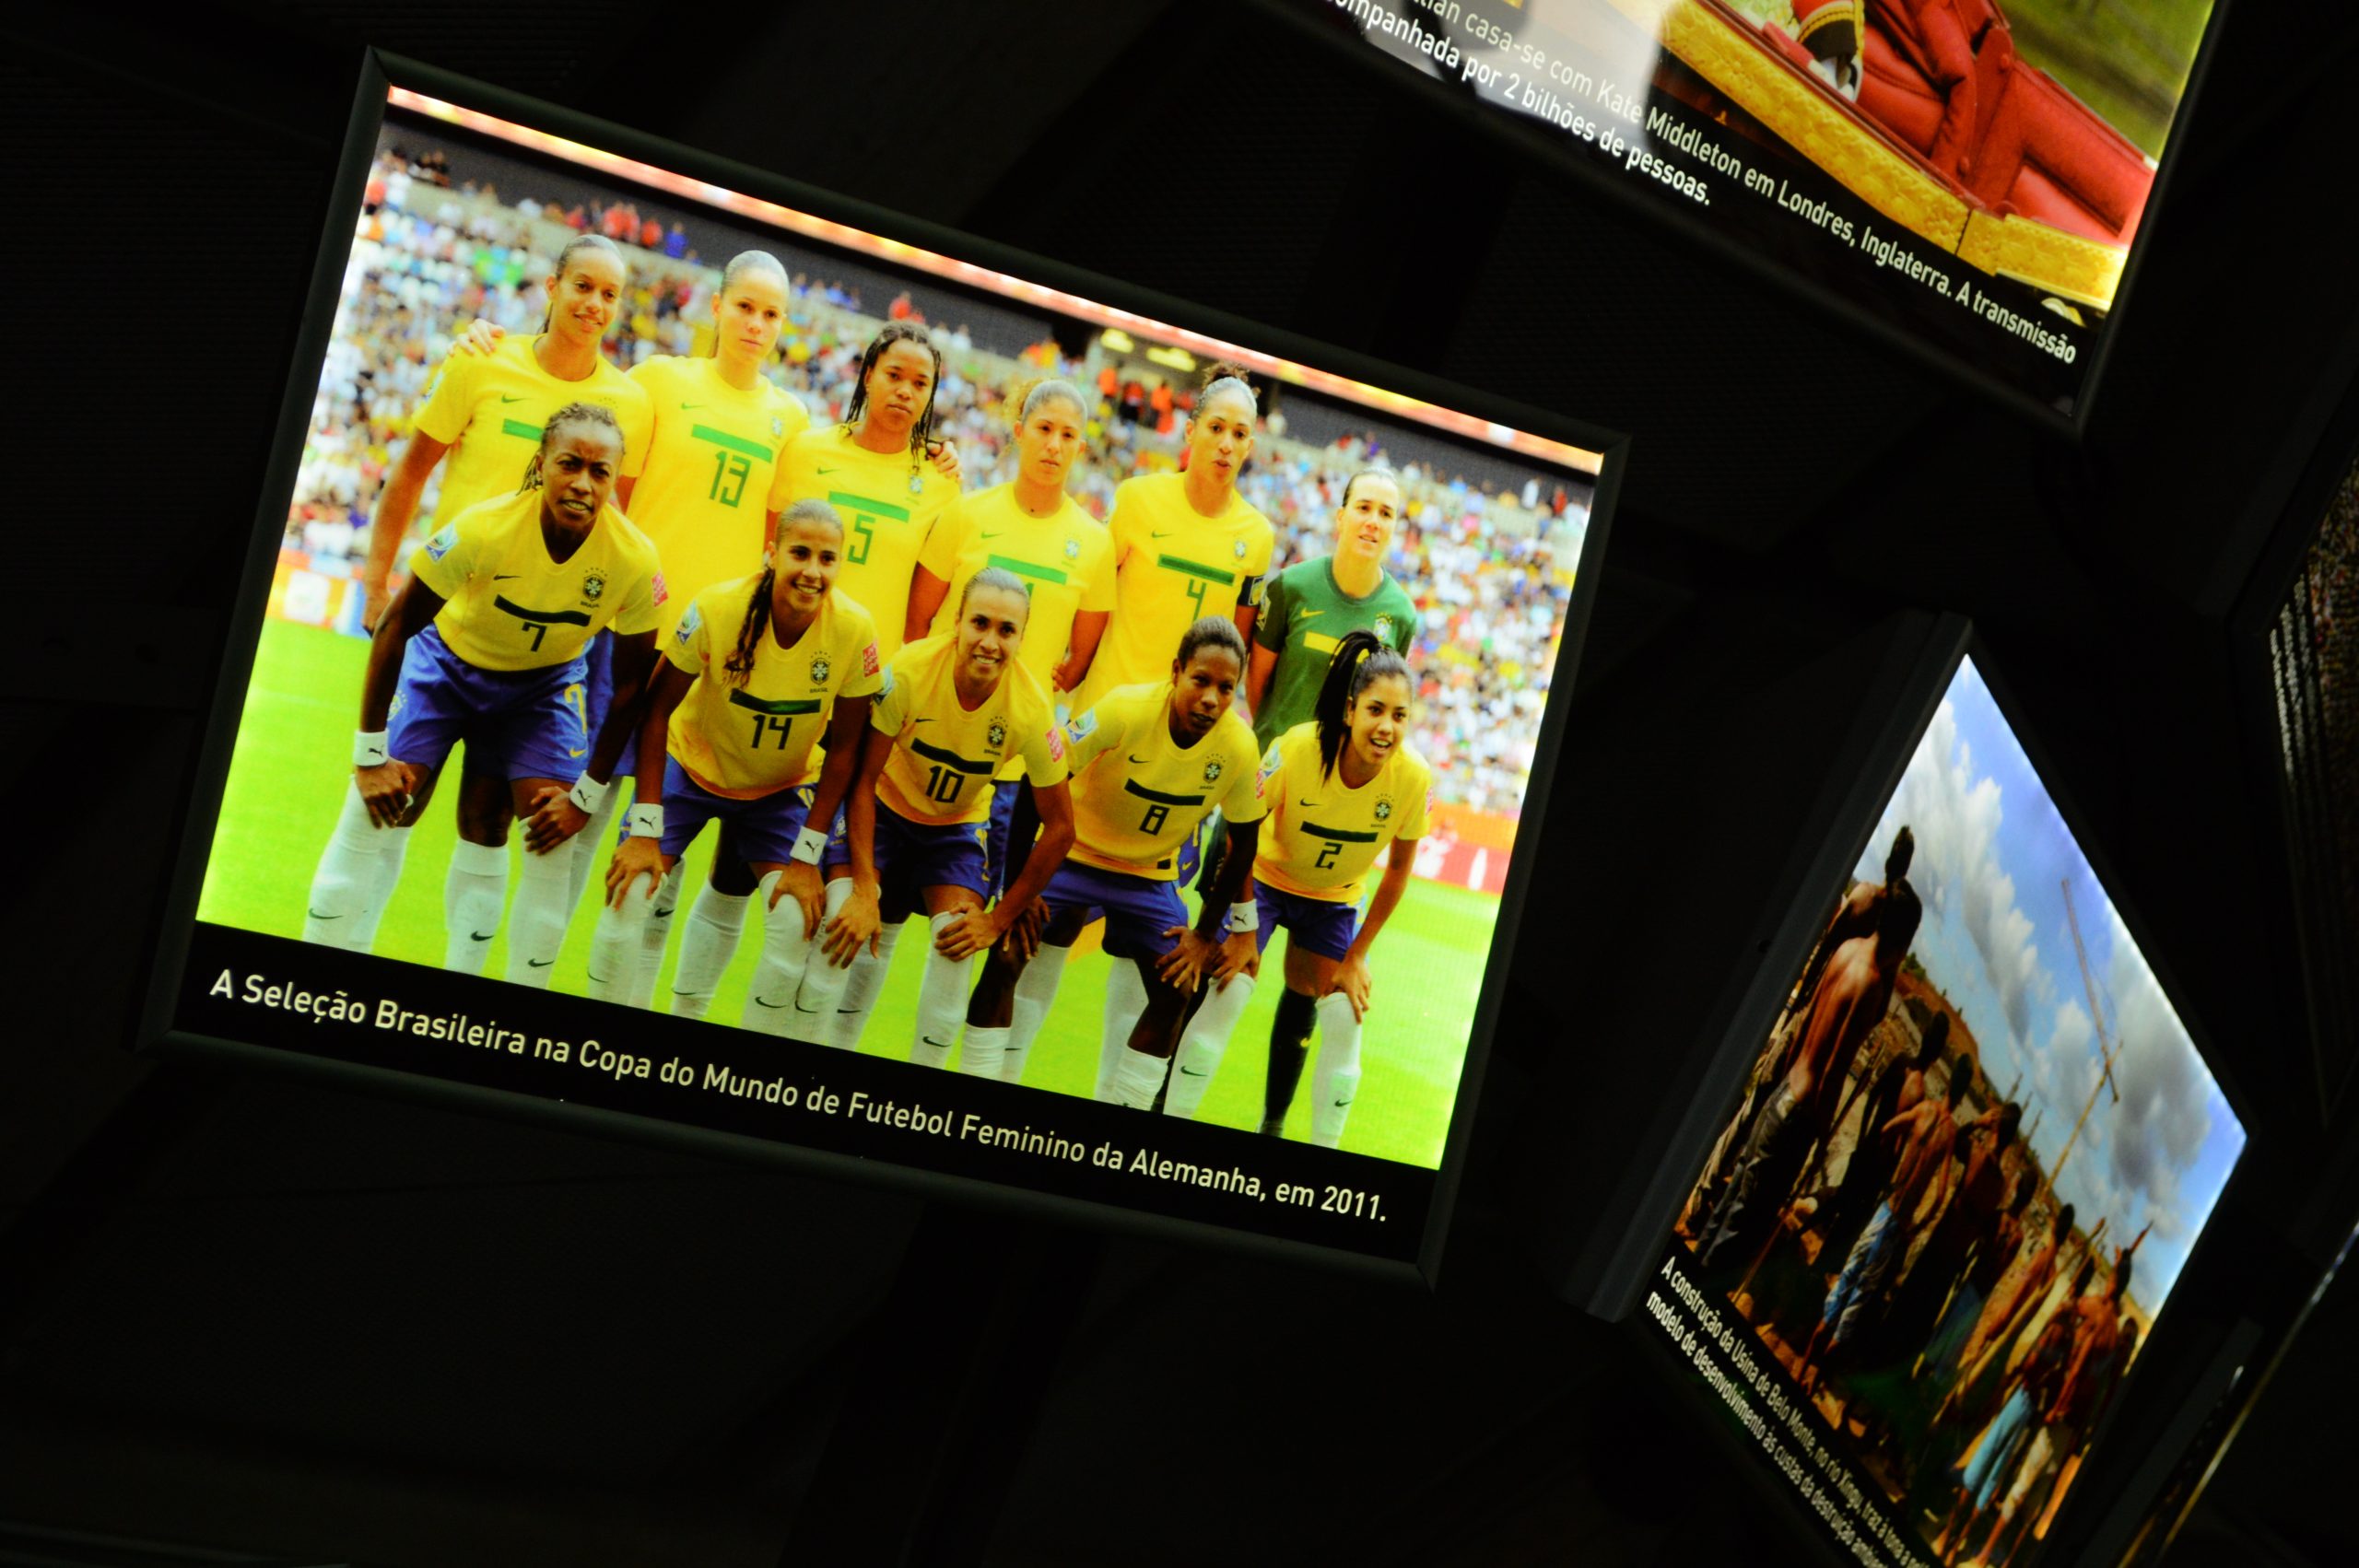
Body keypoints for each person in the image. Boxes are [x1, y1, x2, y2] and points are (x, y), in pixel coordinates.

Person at [449, 252, 816, 999]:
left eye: (771, 313)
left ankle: (623, 1006)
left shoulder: (792, 421)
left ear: (784, 325)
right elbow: (608, 489)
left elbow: (772, 541)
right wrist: (485, 339)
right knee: (578, 819)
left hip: (711, 663)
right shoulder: (659, 383)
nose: (756, 323)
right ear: (717, 307)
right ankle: (528, 984)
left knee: (662, 855)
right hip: (631, 638)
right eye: (745, 306)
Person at [311, 235, 653, 964]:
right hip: (449, 623)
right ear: (552, 287)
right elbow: (409, 474)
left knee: (492, 821)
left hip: (544, 653)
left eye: (610, 294)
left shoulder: (630, 402)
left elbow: (614, 522)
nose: (594, 305)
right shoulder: (482, 360)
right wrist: (375, 586)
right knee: (390, 801)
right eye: (582, 286)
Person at [579, 501, 879, 1031]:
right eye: (800, 553)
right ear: (772, 553)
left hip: (779, 791)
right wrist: (645, 827)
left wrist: (807, 856)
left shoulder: (854, 630)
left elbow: (844, 753)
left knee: (793, 922)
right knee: (630, 893)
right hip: (690, 770)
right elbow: (655, 711)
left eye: (827, 559)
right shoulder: (718, 607)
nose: (812, 571)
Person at [1062, 363, 1275, 1094]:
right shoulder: (1136, 499)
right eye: (1215, 427)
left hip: (1177, 759)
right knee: (1046, 927)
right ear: (1190, 430)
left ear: (1252, 445)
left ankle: (1110, 1101)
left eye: (1240, 433)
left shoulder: (1256, 536)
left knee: (1146, 947)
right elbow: (1096, 600)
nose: (1226, 443)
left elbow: (1234, 646)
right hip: (1106, 739)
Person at [962, 618, 1269, 1100]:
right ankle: (977, 1092)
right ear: (1176, 672)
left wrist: (1203, 936)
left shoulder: (1239, 746)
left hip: (1148, 875)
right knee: (1007, 952)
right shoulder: (1125, 709)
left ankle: (1122, 1112)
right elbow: (1038, 776)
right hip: (1073, 856)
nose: (1211, 698)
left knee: (1178, 987)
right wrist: (1019, 889)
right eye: (1200, 681)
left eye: (1226, 688)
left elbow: (1244, 843)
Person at [762, 322, 964, 1050]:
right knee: (760, 882)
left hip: (873, 705)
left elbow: (924, 612)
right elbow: (769, 565)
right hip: (791, 691)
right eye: (894, 375)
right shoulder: (808, 451)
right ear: (867, 373)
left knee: (848, 891)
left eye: (921, 383)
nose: (905, 392)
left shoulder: (941, 482)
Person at [902, 380, 1114, 1067]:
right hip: (936, 752)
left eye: (1068, 435)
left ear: (1081, 446)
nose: (1054, 445)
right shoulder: (966, 516)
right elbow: (919, 625)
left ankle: (979, 1081)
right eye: (1043, 428)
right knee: (897, 913)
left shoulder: (1093, 542)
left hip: (1024, 775)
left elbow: (1074, 664)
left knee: (1007, 937)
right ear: (1018, 429)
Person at [1161, 631, 1428, 1147]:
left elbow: (1398, 871)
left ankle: (1314, 1152)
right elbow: (1242, 833)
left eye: (1400, 716)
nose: (1386, 726)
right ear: (1350, 711)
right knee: (1229, 991)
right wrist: (1243, 929)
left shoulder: (1414, 779)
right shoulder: (1296, 748)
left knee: (1346, 1016)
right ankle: (1169, 1127)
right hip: (1264, 882)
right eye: (1376, 710)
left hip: (1334, 901)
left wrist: (1357, 956)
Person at [819, 569, 1074, 1064]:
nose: (990, 642)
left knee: (954, 952)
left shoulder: (1032, 710)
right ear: (957, 621)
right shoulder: (909, 670)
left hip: (954, 831)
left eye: (1006, 630)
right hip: (884, 813)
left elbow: (1062, 828)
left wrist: (998, 919)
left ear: (1021, 639)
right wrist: (866, 888)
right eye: (980, 623)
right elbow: (863, 780)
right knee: (841, 924)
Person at [1696, 874, 1923, 1289]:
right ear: (1903, 941)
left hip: (1783, 1093)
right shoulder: (1871, 985)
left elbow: (1803, 1031)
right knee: (1742, 1228)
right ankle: (1695, 1295)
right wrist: (1820, 1141)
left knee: (1731, 1204)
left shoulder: (1847, 951)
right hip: (1798, 1115)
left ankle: (1688, 1275)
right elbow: (1833, 1072)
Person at [1798, 1053, 1966, 1388]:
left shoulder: (1923, 1110)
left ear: (1948, 1083)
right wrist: (1917, 1227)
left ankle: (1801, 1371)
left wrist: (1896, 1153)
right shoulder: (1949, 1135)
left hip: (1884, 1211)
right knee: (1855, 1306)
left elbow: (1887, 1129)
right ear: (1962, 1096)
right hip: (1897, 1225)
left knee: (1843, 1286)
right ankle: (1814, 1382)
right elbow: (1940, 1195)